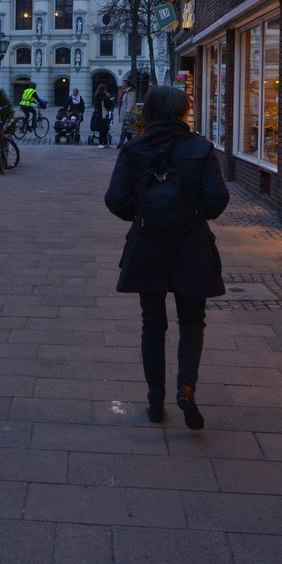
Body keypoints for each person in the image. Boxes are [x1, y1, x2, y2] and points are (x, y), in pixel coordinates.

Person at [104, 85, 229, 430]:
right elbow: (217, 202)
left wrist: (145, 216)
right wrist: (189, 213)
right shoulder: (201, 148)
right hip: (192, 246)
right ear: (182, 113)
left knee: (152, 323)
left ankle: (155, 399)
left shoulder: (133, 149)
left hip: (148, 246)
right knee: (192, 320)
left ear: (150, 112)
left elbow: (115, 199)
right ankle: (186, 389)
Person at [118, 83, 138, 148]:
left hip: (129, 114)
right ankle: (131, 143)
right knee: (128, 129)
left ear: (127, 84)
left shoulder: (130, 92)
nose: (122, 84)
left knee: (125, 128)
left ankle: (120, 144)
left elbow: (130, 103)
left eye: (123, 83)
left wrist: (128, 112)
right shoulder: (127, 92)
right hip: (127, 113)